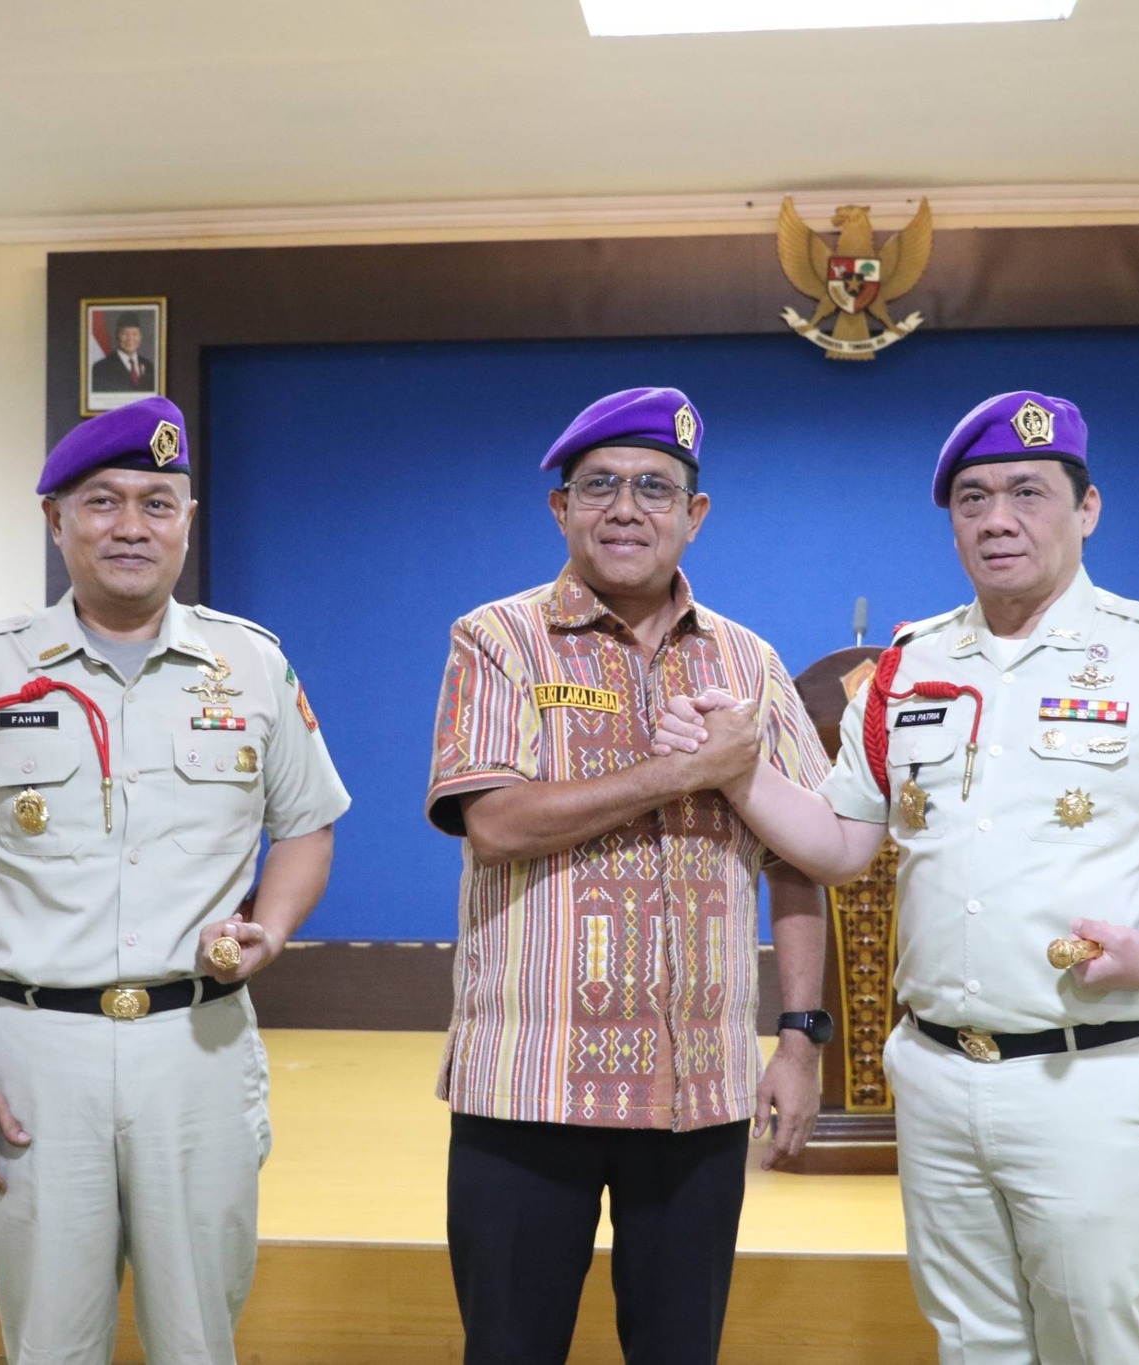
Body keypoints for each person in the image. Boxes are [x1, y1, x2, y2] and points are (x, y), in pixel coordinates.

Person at [653, 390, 1139, 1365]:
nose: (997, 519)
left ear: (1087, 508)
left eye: (1028, 493)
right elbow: (839, 843)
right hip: (936, 1072)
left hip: (1093, 1071)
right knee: (973, 1344)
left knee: (1097, 1346)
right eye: (973, 498)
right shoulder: (908, 667)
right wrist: (736, 771)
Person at [0, 394, 349, 1365]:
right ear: (55, 520)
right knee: (52, 1344)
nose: (132, 525)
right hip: (38, 1060)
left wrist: (270, 925)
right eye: (102, 501)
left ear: (187, 522)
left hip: (198, 1048)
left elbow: (307, 825)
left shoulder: (251, 664)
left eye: (156, 503)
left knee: (198, 1339)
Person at [425, 387, 837, 1365]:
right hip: (525, 1087)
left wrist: (799, 1037)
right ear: (559, 508)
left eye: (654, 488)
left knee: (680, 1350)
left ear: (694, 515)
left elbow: (801, 856)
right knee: (509, 1351)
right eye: (598, 486)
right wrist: (681, 773)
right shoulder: (497, 640)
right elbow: (493, 822)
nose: (624, 508)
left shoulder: (748, 662)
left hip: (700, 1092)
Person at [91, 314, 156, 393]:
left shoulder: (148, 366)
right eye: (125, 334)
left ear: (140, 336)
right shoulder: (101, 368)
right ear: (117, 335)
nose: (130, 338)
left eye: (135, 334)